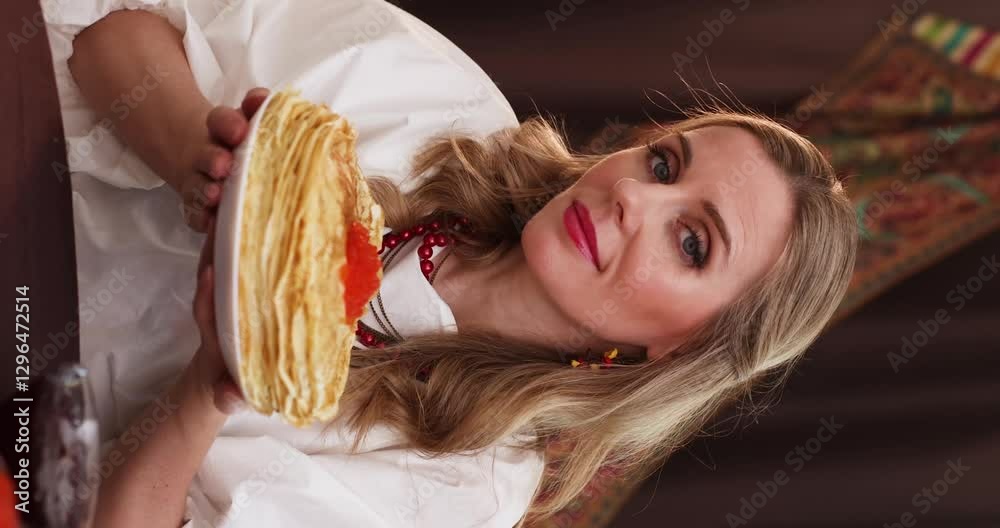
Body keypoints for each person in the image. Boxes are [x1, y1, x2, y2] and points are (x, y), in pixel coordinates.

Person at [50, 1, 858, 527]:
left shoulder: (462, 494)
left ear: (684, 348)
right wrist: (195, 152)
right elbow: (102, 30)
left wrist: (209, 388)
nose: (632, 199)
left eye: (691, 243)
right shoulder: (432, 91)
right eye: (663, 164)